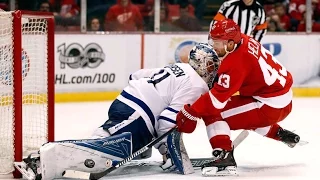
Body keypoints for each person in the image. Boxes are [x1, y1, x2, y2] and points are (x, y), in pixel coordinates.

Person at [15, 43, 220, 180]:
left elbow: (135, 76)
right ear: (201, 63)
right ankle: (46, 159)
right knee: (114, 151)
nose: (212, 72)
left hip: (126, 102)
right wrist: (177, 158)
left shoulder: (178, 67)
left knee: (110, 137)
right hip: (140, 114)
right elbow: (167, 123)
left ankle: (52, 156)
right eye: (210, 66)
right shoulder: (197, 85)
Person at [175, 19, 301, 176]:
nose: (214, 46)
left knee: (214, 113)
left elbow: (215, 101)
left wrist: (190, 112)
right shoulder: (244, 40)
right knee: (242, 113)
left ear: (229, 43)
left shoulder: (236, 62)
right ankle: (279, 133)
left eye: (217, 42)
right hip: (281, 100)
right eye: (212, 40)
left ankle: (224, 156)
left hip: (269, 107)